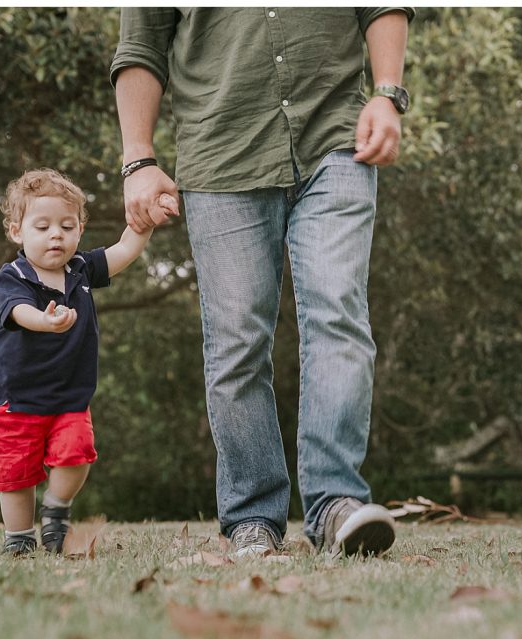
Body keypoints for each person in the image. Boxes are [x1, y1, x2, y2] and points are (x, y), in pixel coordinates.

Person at [110, 8, 414, 557]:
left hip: (335, 140)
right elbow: (142, 46)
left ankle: (336, 504)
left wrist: (387, 93)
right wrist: (138, 160)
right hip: (220, 156)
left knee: (337, 315)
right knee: (236, 344)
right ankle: (253, 517)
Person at [0, 168, 177, 555]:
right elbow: (18, 312)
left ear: (79, 231)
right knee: (16, 477)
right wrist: (45, 321)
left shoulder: (81, 270)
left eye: (67, 226)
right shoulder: (12, 278)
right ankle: (18, 538)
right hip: (14, 402)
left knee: (78, 451)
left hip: (69, 398)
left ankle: (57, 507)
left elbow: (124, 249)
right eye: (43, 226)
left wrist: (147, 220)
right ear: (17, 231)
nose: (56, 234)